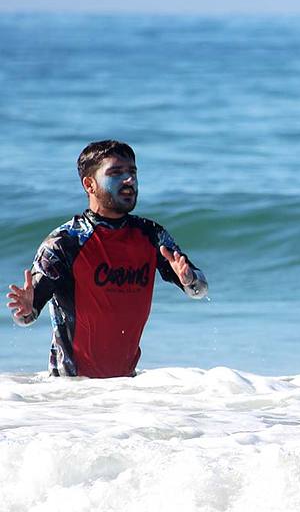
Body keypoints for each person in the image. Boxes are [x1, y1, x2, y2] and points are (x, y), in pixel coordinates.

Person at [6, 140, 208, 378]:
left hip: (123, 390)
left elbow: (200, 290)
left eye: (132, 172)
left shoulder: (150, 235)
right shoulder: (65, 242)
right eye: (116, 173)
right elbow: (27, 317)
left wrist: (189, 280)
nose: (129, 180)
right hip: (73, 390)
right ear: (89, 184)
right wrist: (25, 309)